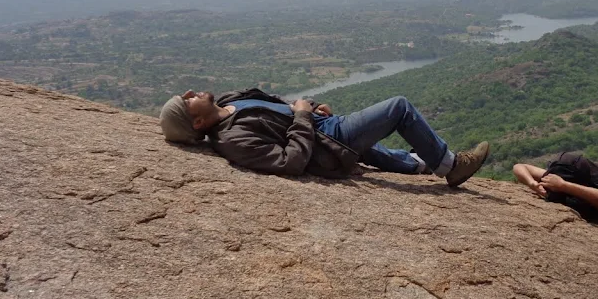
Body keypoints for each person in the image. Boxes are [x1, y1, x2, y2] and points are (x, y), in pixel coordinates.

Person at [160, 88, 489, 186]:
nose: (190, 92)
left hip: (321, 128)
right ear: (199, 122)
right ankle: (450, 166)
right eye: (186, 101)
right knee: (398, 108)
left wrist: (309, 108)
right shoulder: (233, 139)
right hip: (329, 141)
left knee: (372, 147)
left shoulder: (231, 102)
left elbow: (280, 111)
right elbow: (291, 162)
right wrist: (303, 115)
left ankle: (421, 165)